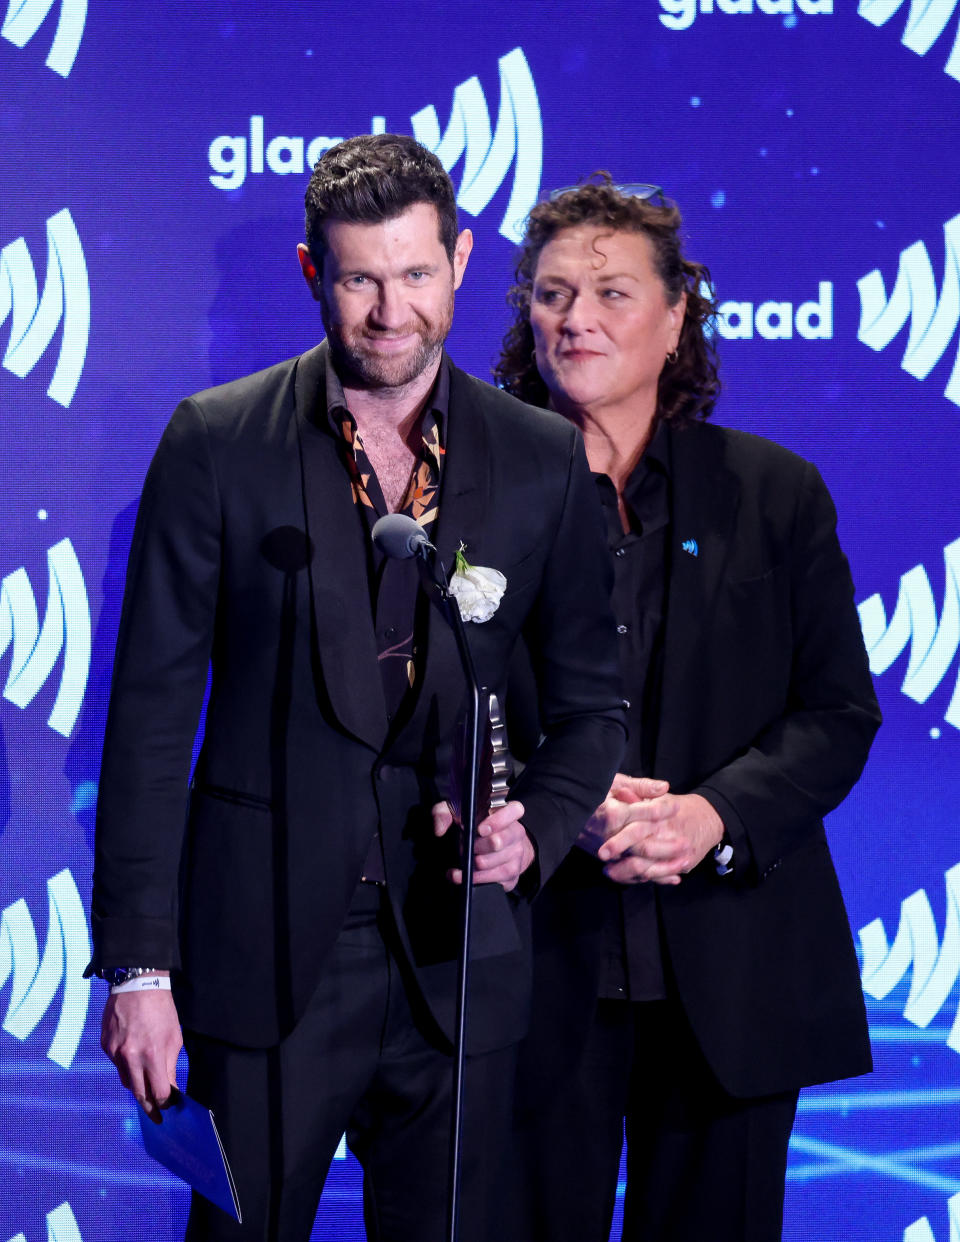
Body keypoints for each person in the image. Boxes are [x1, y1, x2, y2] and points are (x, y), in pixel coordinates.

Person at [85, 136, 626, 1242]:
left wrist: (537, 831)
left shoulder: (538, 458)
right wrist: (140, 966)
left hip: (459, 958)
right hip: (265, 955)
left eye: (417, 275)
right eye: (360, 279)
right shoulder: (216, 443)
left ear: (463, 262)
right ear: (309, 272)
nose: (391, 312)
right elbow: (147, 724)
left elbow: (592, 706)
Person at [494, 177, 881, 1242]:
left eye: (613, 293)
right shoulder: (466, 498)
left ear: (676, 320)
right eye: (554, 293)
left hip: (735, 967)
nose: (577, 318)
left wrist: (714, 816)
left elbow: (838, 714)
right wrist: (551, 799)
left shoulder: (775, 493)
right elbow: (421, 714)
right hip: (533, 966)